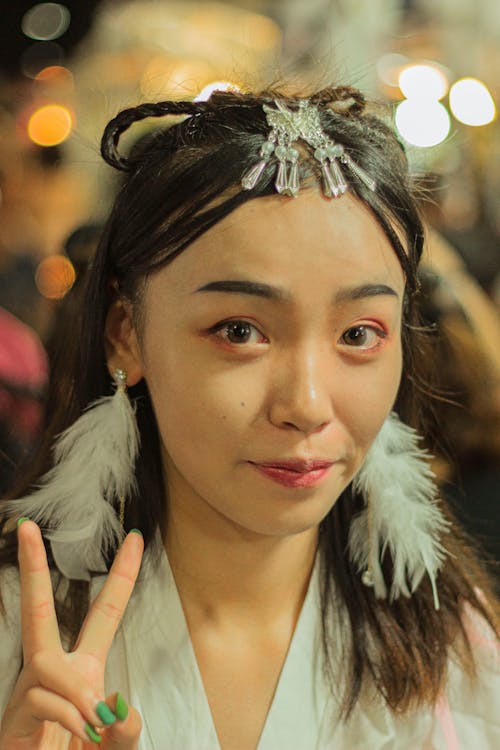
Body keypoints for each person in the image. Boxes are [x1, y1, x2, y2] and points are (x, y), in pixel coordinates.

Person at [0, 85, 498, 749]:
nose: (307, 405)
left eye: (357, 334)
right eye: (239, 330)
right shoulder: (18, 641)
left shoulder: (454, 647)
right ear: (126, 332)